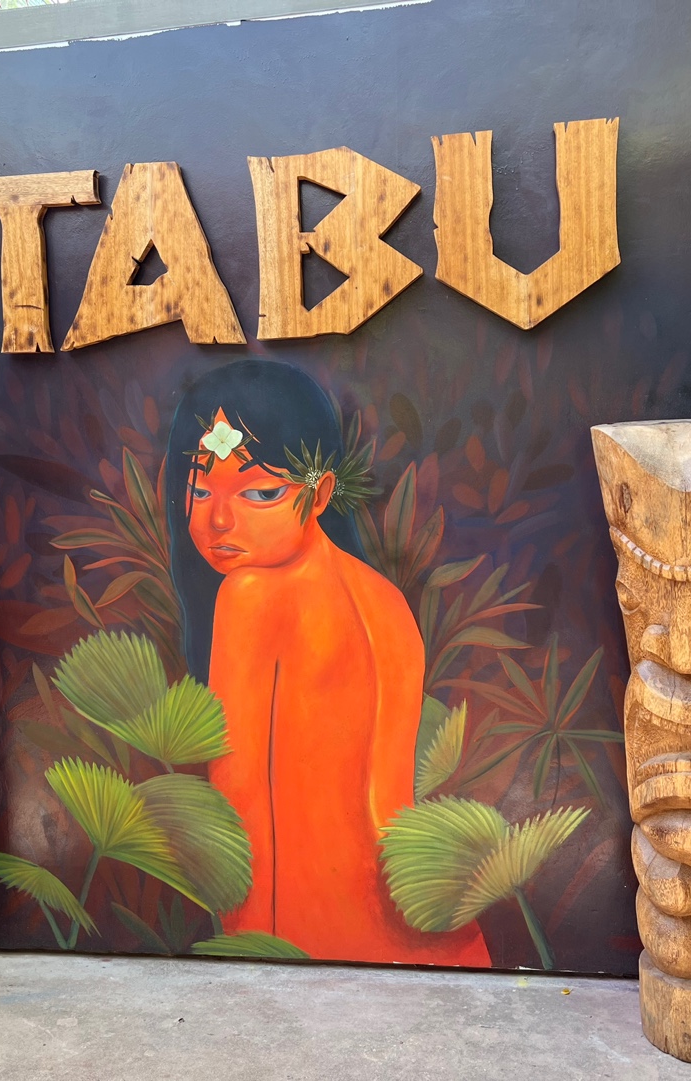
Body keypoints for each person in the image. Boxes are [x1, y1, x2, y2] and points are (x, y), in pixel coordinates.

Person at [165, 359, 489, 966]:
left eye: (260, 492)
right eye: (201, 489)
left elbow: (240, 831)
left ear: (318, 494)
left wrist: (250, 971)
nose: (218, 519)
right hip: (438, 946)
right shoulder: (384, 599)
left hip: (323, 946)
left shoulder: (250, 597)